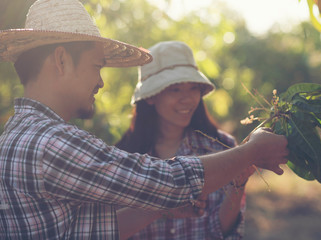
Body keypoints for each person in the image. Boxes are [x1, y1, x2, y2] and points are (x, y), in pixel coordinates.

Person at [0, 0, 289, 239]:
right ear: (61, 60)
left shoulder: (20, 134)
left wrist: (159, 209)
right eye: (96, 66)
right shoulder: (52, 143)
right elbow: (169, 182)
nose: (100, 81)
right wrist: (252, 151)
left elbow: (89, 231)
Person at [115, 41, 255, 239]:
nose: (188, 99)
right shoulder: (123, 159)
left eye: (193, 88)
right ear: (150, 97)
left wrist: (237, 185)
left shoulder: (222, 147)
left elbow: (223, 232)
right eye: (175, 89)